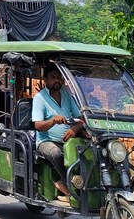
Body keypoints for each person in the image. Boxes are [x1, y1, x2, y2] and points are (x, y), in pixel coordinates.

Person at [32, 65, 84, 200]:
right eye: (53, 77)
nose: (57, 80)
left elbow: (81, 118)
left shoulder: (66, 93)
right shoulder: (40, 98)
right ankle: (65, 183)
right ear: (45, 81)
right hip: (45, 141)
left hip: (68, 140)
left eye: (59, 77)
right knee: (56, 154)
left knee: (89, 151)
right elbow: (37, 125)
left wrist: (74, 129)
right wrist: (53, 121)